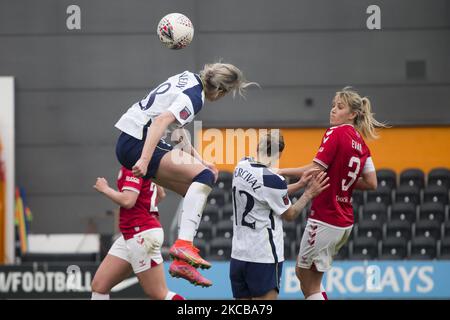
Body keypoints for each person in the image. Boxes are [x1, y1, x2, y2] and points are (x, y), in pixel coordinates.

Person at [114, 63, 256, 285]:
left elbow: (177, 132)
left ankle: (182, 262)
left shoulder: (188, 78)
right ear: (221, 91)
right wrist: (143, 158)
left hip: (130, 138)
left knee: (192, 188)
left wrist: (201, 161)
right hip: (138, 141)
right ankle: (183, 245)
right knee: (204, 178)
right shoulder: (195, 98)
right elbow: (161, 122)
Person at [279, 87, 387, 300]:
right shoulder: (362, 144)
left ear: (352, 114)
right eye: (333, 106)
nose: (333, 110)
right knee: (304, 275)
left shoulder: (335, 132)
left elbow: (315, 169)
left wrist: (280, 170)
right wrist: (340, 181)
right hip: (343, 220)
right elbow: (372, 182)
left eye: (339, 107)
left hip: (326, 217)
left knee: (310, 284)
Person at [229, 131, 329, 300]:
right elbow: (289, 214)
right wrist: (308, 193)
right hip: (263, 257)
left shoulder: (241, 165)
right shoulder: (273, 180)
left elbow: (265, 194)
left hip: (238, 256)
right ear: (279, 153)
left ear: (257, 147)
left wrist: (299, 184)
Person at [90, 166, 191, 299]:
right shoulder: (148, 165)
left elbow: (128, 201)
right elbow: (161, 194)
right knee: (99, 286)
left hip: (140, 233)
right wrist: (143, 208)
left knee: (159, 294)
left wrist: (105, 189)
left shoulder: (133, 164)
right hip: (133, 233)